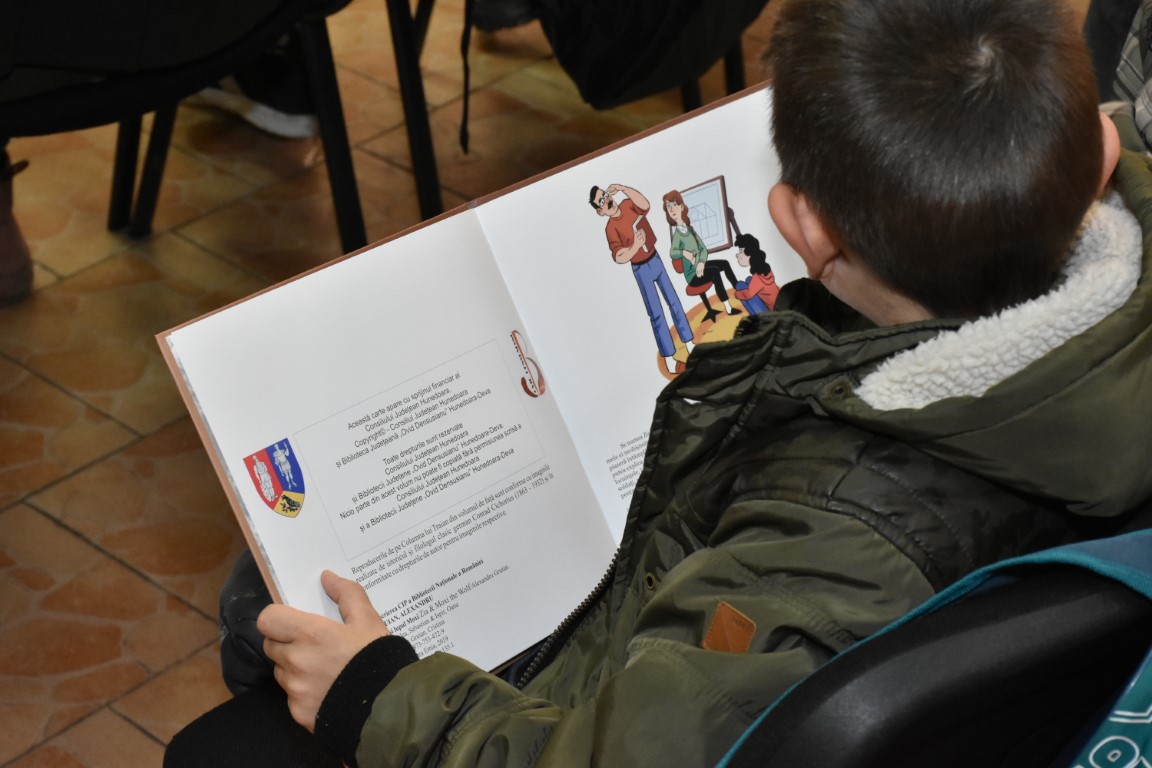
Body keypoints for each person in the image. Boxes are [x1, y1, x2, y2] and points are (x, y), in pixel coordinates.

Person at [167, 0, 1152, 765]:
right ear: (1104, 149)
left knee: (235, 706)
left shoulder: (816, 556)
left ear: (802, 227)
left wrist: (376, 700)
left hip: (598, 711)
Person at [590, 183, 694, 375]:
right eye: (601, 201)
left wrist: (622, 188)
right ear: (600, 211)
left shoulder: (627, 203)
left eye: (605, 195)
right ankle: (669, 356)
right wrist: (635, 246)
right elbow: (618, 256)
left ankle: (689, 342)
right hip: (640, 268)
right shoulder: (610, 228)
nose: (607, 200)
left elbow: (645, 205)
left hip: (655, 258)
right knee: (656, 313)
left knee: (674, 301)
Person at [662, 189, 742, 322]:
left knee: (724, 263)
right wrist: (684, 252)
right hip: (692, 275)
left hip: (700, 266)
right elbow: (672, 252)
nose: (671, 209)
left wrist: (701, 263)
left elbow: (703, 249)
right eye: (668, 206)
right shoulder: (677, 236)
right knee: (715, 272)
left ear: (681, 207)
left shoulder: (689, 229)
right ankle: (728, 308)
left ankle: (738, 288)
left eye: (674, 204)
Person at [731, 232, 779, 313]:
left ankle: (760, 319)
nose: (737, 255)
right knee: (749, 279)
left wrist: (736, 294)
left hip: (773, 313)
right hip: (778, 305)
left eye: (741, 252)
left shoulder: (757, 278)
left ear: (750, 254)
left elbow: (748, 294)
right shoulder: (765, 271)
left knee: (740, 285)